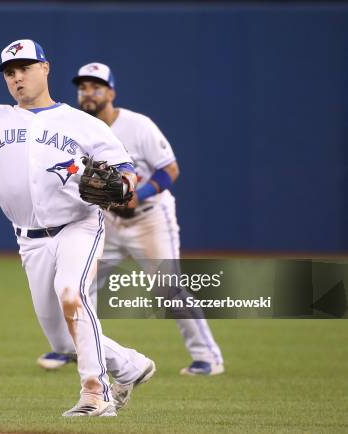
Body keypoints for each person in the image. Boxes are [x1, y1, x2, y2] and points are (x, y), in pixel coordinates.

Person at [0, 41, 156, 417]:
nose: (17, 77)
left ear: (45, 68)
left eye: (25, 68)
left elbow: (126, 173)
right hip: (28, 239)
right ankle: (129, 365)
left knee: (72, 295)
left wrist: (124, 187)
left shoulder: (83, 124)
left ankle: (97, 396)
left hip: (78, 225)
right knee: (62, 338)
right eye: (10, 72)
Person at [37, 62, 224, 376]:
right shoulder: (76, 127)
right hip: (105, 219)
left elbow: (170, 170)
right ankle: (73, 349)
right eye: (83, 87)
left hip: (148, 218)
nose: (88, 93)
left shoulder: (139, 125)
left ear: (111, 92)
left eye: (96, 87)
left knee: (168, 286)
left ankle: (208, 357)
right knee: (77, 283)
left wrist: (143, 193)